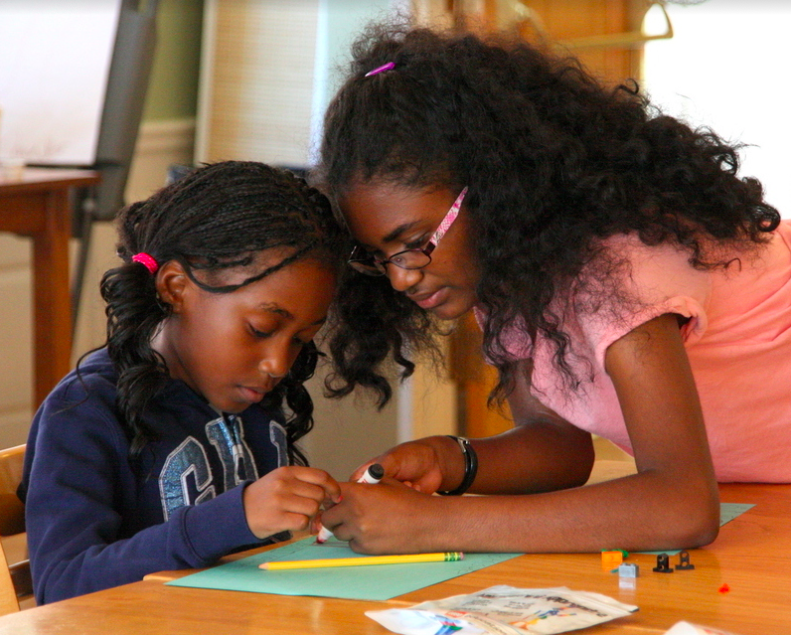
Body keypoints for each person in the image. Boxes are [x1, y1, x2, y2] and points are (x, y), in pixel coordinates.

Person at [314, 23, 790, 556]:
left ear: (493, 189)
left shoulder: (621, 271)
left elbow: (682, 507)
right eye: (378, 257)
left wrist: (434, 524)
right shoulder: (511, 276)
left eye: (415, 241)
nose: (401, 276)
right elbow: (557, 445)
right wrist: (450, 460)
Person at [19, 161, 347, 603]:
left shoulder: (249, 397)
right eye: (261, 328)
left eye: (301, 340)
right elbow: (62, 586)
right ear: (175, 287)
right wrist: (232, 517)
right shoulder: (84, 410)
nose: (278, 364)